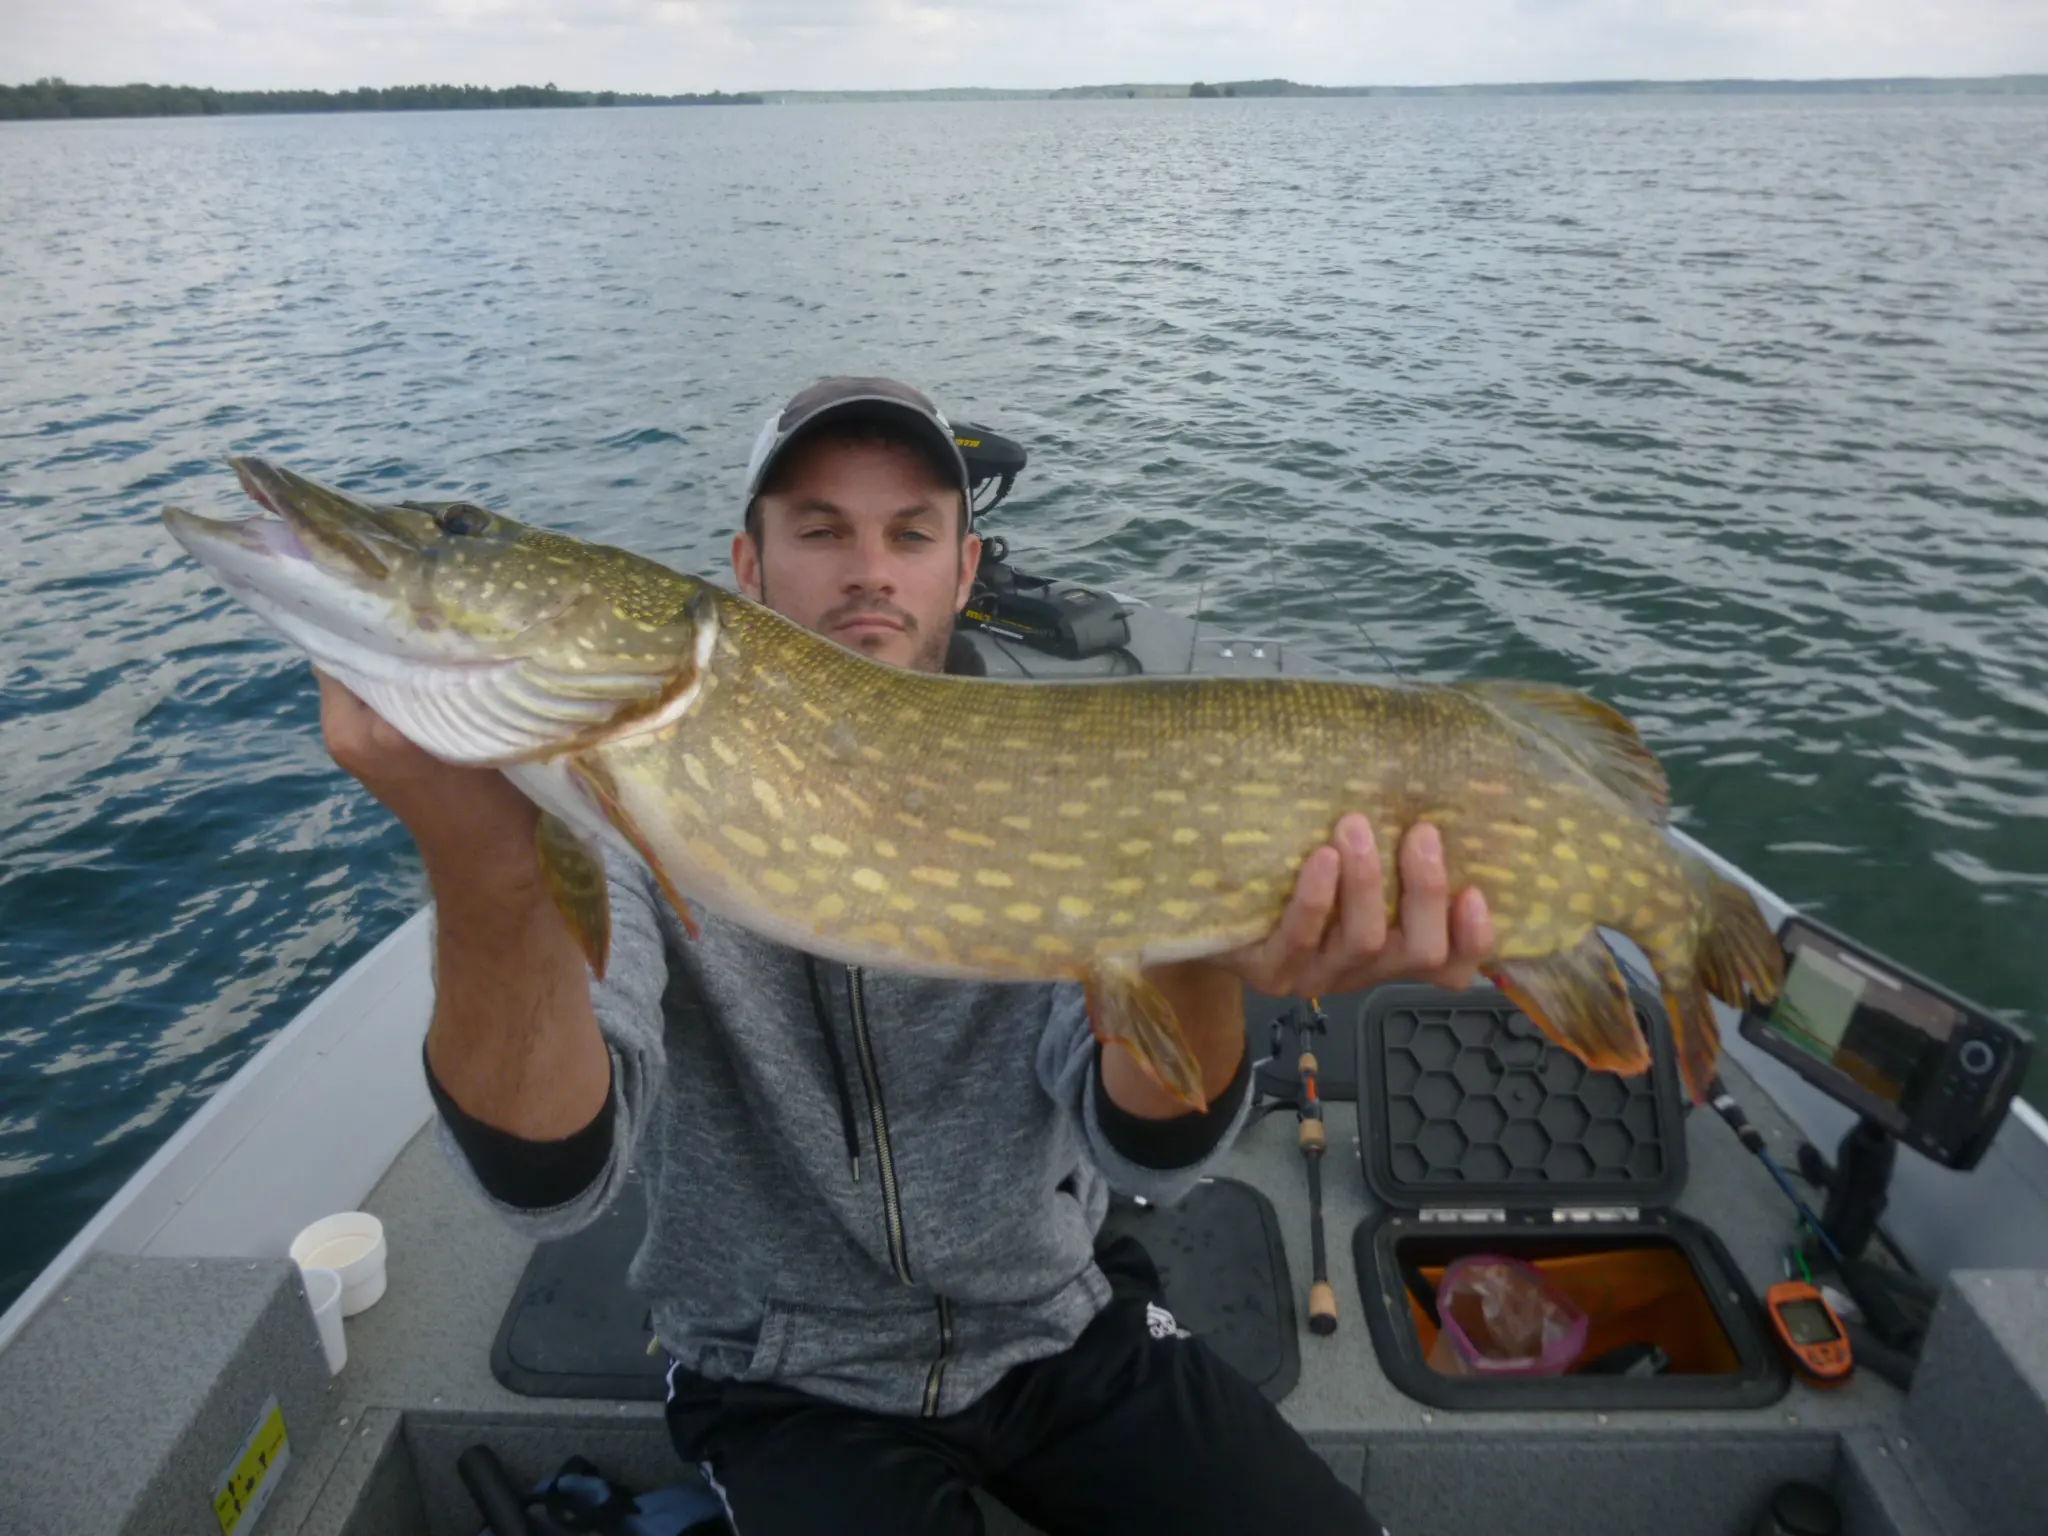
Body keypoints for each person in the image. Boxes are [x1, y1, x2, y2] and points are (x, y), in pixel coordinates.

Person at [316, 377, 1494, 1535]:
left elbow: (1151, 1149)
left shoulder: (1064, 775)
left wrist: (1199, 949)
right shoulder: (608, 806)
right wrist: (483, 864)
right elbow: (547, 1180)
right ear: (745, 568)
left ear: (964, 570)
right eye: (819, 530)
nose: (868, 568)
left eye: (910, 533)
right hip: (778, 1383)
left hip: (1053, 1330)